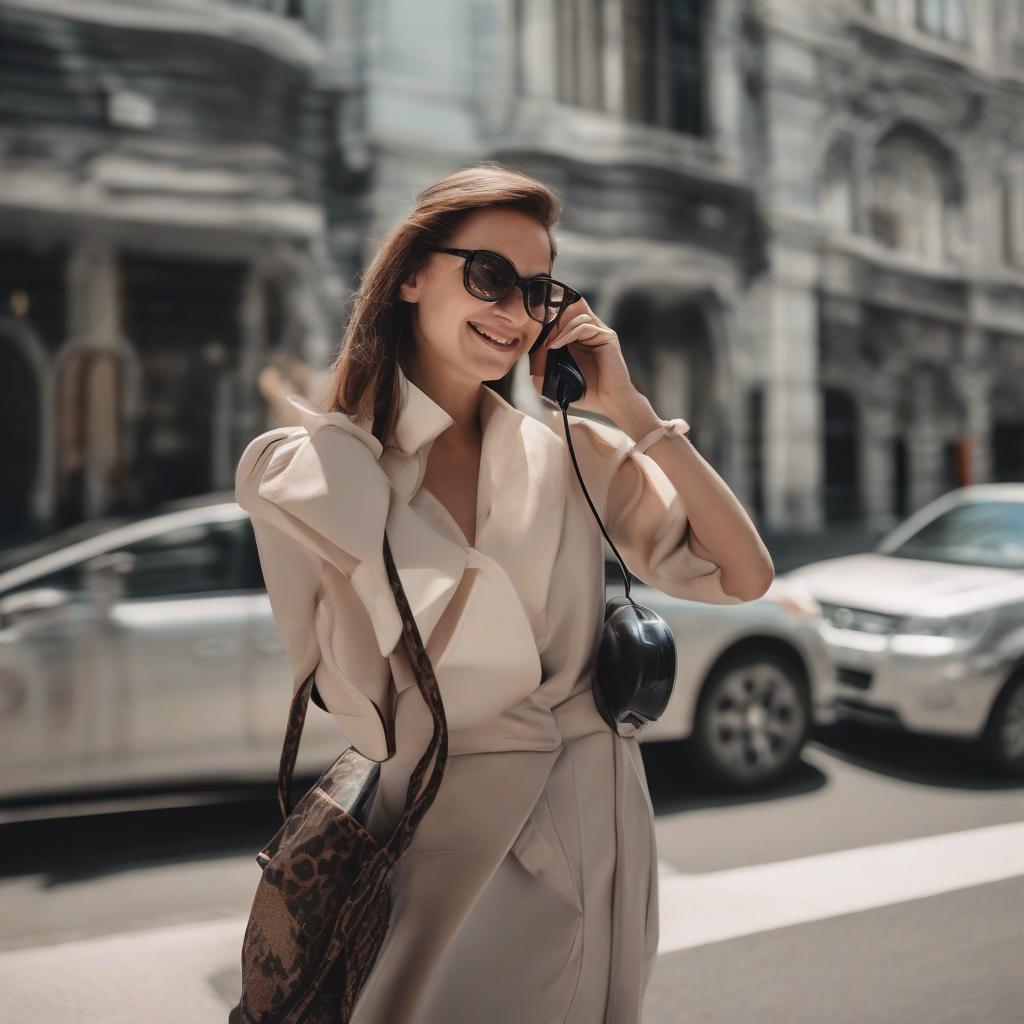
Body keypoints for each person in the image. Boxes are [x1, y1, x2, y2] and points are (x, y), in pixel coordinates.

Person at [235, 166, 773, 1024]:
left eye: (539, 292)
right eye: (489, 277)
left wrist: (629, 408)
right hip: (437, 831)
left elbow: (743, 573)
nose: (516, 313)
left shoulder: (572, 455)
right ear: (411, 274)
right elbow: (358, 706)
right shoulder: (310, 471)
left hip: (591, 812)